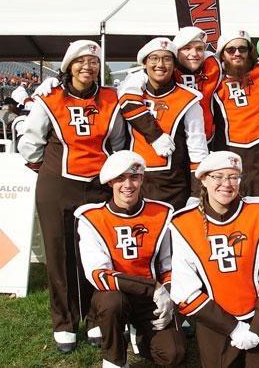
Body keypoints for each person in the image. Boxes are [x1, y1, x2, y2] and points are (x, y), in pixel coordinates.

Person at [18, 40, 127, 353]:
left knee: (96, 253)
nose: (87, 67)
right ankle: (64, 322)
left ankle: (95, 317)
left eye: (93, 62)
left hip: (98, 185)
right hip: (57, 184)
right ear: (68, 65)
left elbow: (117, 142)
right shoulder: (49, 97)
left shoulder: (111, 98)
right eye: (80, 61)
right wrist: (50, 171)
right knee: (59, 253)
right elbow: (31, 144)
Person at [170, 151, 259, 367]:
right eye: (218, 176)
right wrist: (233, 328)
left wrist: (257, 328)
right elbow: (184, 290)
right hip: (215, 322)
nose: (227, 184)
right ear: (204, 180)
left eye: (233, 177)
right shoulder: (183, 223)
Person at [76, 151, 185, 368]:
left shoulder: (162, 213)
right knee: (111, 302)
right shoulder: (91, 218)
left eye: (134, 177)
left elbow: (168, 265)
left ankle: (141, 337)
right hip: (116, 295)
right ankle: (114, 360)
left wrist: (169, 296)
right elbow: (100, 276)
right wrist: (153, 287)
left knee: (174, 354)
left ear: (142, 179)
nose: (128, 185)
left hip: (152, 300)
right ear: (110, 183)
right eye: (120, 179)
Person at [126, 37, 208, 210]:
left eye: (167, 59)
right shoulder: (130, 94)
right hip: (133, 185)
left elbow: (197, 148)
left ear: (174, 64)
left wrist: (196, 194)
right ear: (145, 63)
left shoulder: (190, 99)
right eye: (154, 58)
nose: (160, 64)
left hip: (173, 187)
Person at [211, 30, 259, 198]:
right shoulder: (213, 81)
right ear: (222, 55)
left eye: (242, 49)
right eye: (230, 50)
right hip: (227, 150)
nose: (237, 53)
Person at [173, 26, 223, 143]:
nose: (194, 53)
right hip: (174, 140)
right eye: (187, 48)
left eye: (199, 49)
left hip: (206, 139)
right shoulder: (166, 71)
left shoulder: (214, 68)